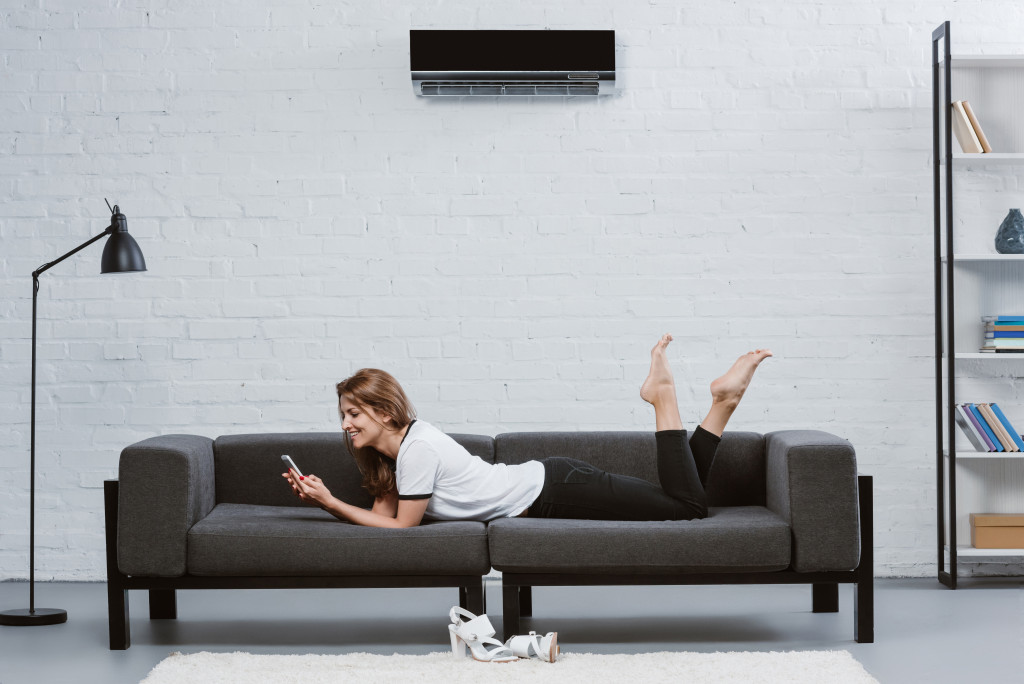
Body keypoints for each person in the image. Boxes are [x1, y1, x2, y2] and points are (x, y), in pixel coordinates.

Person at [284, 334, 772, 527]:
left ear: (386, 413)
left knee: (686, 509)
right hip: (552, 483)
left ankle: (664, 397)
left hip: (553, 491)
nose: (345, 425)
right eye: (343, 415)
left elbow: (401, 529)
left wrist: (330, 502)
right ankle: (723, 404)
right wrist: (323, 497)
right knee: (683, 498)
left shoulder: (417, 450)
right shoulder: (397, 453)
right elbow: (381, 517)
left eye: (355, 414)